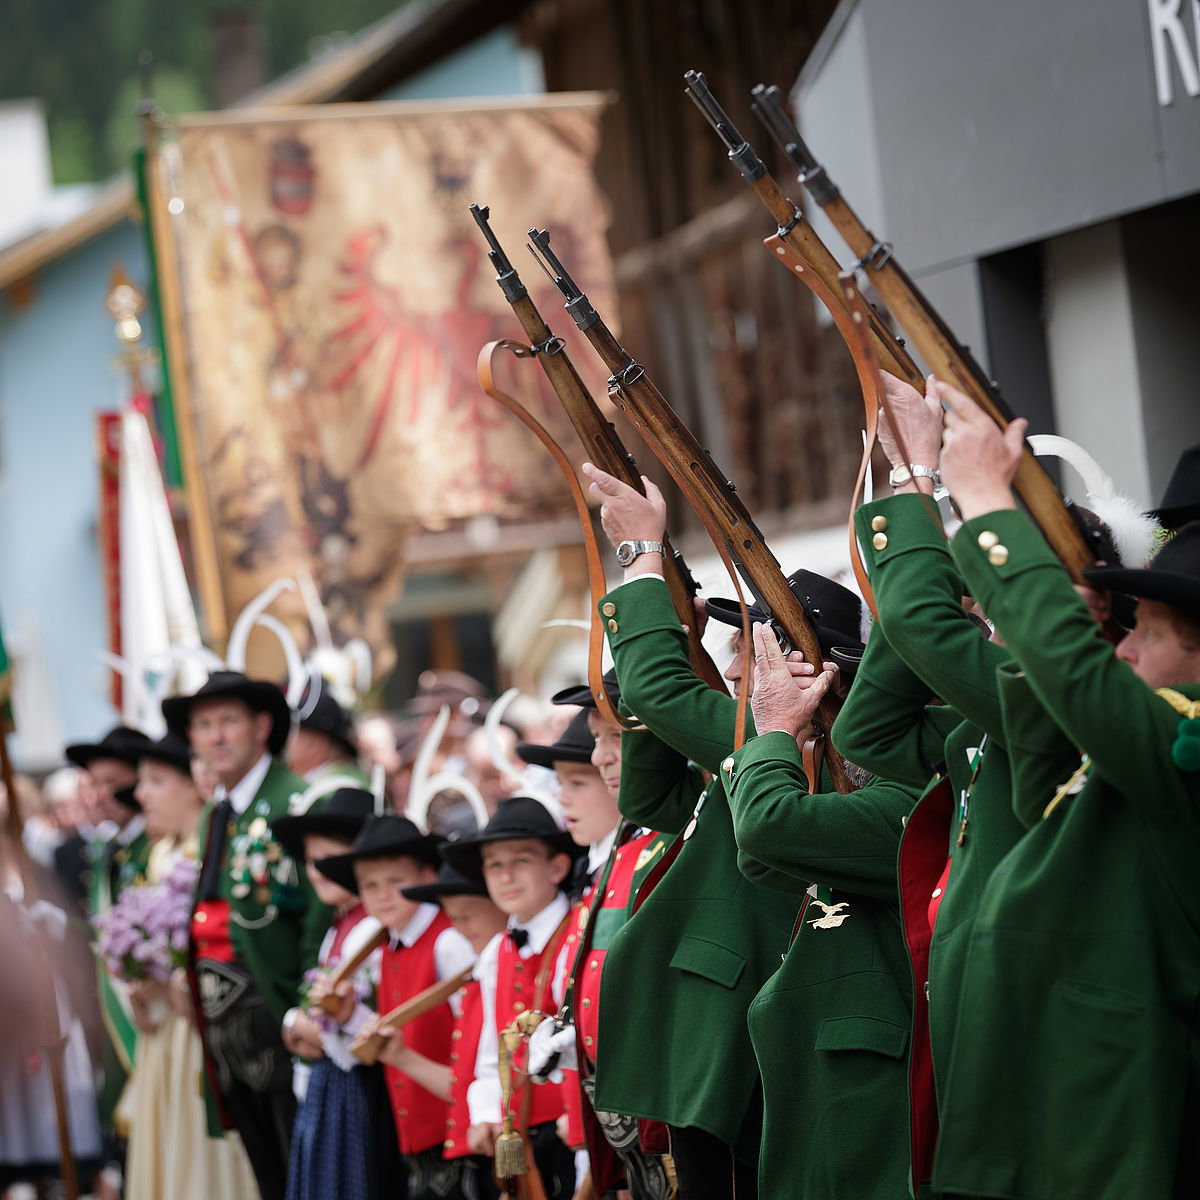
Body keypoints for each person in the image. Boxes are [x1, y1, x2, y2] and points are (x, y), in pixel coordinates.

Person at [914, 379, 1200, 1199]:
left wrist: (978, 496)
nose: (1124, 651)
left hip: (1125, 1139)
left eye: (1144, 633)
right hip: (1052, 1124)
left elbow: (1084, 681)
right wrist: (1046, 616)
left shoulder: (1179, 746)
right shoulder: (1133, 743)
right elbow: (1044, 761)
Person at [580, 460, 803, 1200]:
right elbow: (649, 797)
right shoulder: (746, 746)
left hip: (745, 1032)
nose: (737, 665)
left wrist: (643, 559)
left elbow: (657, 693)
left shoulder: (791, 749)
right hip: (705, 1029)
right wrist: (681, 639)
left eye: (753, 649)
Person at [163, 670, 330, 1200]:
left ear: (262, 726)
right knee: (266, 1170)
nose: (214, 737)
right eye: (203, 725)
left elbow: (320, 916)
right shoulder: (219, 812)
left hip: (278, 1016)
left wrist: (306, 1005)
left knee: (302, 1169)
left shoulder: (298, 803)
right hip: (226, 1023)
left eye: (227, 722)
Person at [526, 678, 677, 1200]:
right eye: (595, 738)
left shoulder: (661, 846)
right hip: (612, 1108)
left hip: (658, 1106)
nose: (601, 758)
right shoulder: (619, 853)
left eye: (614, 736)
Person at [123, 732, 260, 1200]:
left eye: (156, 780)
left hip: (199, 1022)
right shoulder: (158, 855)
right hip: (165, 1030)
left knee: (205, 1152)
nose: (142, 795)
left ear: (193, 784)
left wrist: (180, 974)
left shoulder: (209, 850)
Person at [316, 813, 474, 1200]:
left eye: (396, 882)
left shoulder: (448, 941)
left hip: (458, 1131)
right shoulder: (388, 944)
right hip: (414, 1138)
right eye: (370, 886)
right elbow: (394, 1033)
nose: (383, 895)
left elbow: (472, 1035)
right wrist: (350, 1017)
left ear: (425, 877)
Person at [441, 797, 583, 1200]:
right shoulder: (495, 952)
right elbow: (492, 1048)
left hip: (568, 1126)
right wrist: (486, 1111)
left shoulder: (577, 934)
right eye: (494, 865)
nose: (506, 876)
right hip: (519, 1133)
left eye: (520, 861)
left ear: (556, 867)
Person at [271, 788, 398, 1200]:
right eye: (311, 860)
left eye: (330, 859)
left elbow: (362, 1025)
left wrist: (303, 1026)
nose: (318, 870)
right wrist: (298, 1024)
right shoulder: (337, 926)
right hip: (332, 1090)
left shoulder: (372, 928)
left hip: (357, 1088)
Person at [397, 858, 508, 1200]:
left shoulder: (504, 976)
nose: (458, 928)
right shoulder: (478, 980)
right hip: (475, 1150)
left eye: (467, 913)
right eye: (451, 916)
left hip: (504, 1146)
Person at [286, 679, 368, 788]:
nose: (283, 739)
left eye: (291, 732)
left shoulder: (339, 791)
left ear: (315, 746)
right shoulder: (333, 785)